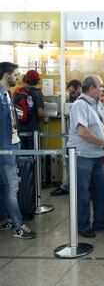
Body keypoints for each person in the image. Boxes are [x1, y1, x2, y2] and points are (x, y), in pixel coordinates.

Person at [67, 74, 104, 238]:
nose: (102, 89)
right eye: (100, 86)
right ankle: (83, 225)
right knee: (83, 192)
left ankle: (100, 220)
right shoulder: (80, 105)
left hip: (96, 156)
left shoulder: (96, 103)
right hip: (81, 156)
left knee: (102, 187)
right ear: (91, 88)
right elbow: (83, 132)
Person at [0, 62, 36, 239]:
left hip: (11, 145)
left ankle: (3, 218)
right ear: (6, 75)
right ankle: (18, 225)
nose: (17, 77)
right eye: (15, 74)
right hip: (5, 148)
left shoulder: (6, 95)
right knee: (12, 187)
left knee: (5, 186)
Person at [50, 79, 82, 196]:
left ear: (79, 88)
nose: (71, 95)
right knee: (70, 162)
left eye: (73, 92)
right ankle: (68, 185)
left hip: (80, 140)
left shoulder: (82, 102)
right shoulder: (75, 101)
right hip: (73, 138)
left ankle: (67, 186)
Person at [13, 70, 48, 150]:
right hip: (32, 129)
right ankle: (33, 163)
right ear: (38, 80)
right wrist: (45, 119)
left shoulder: (19, 92)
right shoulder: (37, 93)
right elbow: (40, 113)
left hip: (20, 128)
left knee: (22, 152)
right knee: (33, 153)